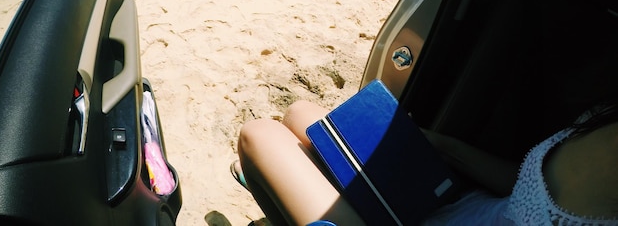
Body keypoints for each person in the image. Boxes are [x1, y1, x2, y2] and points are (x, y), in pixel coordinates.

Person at [232, 98, 618, 225]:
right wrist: (441, 146)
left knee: (258, 136)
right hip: (455, 207)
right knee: (303, 115)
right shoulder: (609, 112)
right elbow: (531, 187)